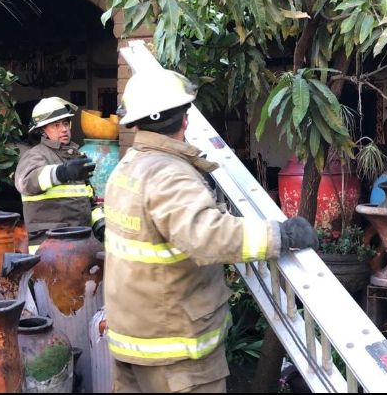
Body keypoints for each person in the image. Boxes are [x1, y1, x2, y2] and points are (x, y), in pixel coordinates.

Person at [104, 67, 318, 393]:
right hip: (176, 354)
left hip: (133, 339)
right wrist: (280, 235)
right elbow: (208, 236)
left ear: (134, 122)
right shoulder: (169, 174)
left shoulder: (128, 167)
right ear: (185, 119)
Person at [14, 97, 105, 240]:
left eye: (65, 123)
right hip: (48, 243)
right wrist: (61, 172)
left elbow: (87, 202)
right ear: (42, 131)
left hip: (78, 240)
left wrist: (100, 223)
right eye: (56, 125)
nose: (63, 129)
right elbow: (26, 182)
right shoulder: (35, 155)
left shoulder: (75, 157)